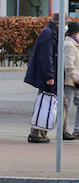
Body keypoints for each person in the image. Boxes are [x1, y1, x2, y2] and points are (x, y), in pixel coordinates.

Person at [23, 12, 58, 143]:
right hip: (46, 76)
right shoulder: (49, 34)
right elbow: (46, 57)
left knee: (46, 103)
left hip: (47, 75)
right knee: (45, 103)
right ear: (58, 23)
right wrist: (49, 76)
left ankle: (41, 131)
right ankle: (36, 133)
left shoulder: (51, 33)